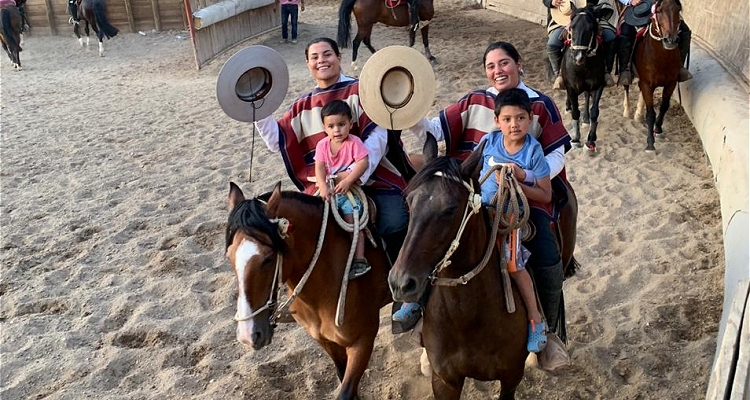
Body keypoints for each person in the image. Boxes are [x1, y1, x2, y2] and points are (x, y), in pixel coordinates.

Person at [408, 41, 571, 366]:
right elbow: (436, 129)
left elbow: (556, 153)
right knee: (432, 236)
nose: (498, 71)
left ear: (519, 63)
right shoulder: (474, 101)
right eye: (491, 66)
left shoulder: (541, 104)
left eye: (504, 63)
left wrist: (523, 179)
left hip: (522, 199)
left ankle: (548, 332)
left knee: (546, 253)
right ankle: (422, 318)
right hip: (476, 194)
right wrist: (409, 113)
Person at [254, 37, 421, 327]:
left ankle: (407, 292)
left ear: (339, 57)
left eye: (327, 54)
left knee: (395, 219)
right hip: (325, 185)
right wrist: (256, 109)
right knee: (299, 230)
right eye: (315, 57)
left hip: (373, 175)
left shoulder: (361, 90)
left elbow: (379, 135)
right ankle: (302, 297)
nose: (322, 61)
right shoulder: (302, 105)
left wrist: (355, 174)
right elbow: (277, 141)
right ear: (308, 64)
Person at [478, 88, 552, 353]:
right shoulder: (489, 142)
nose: (514, 125)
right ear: (497, 121)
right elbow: (472, 170)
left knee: (513, 264)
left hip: (511, 216)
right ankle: (417, 302)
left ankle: (536, 319)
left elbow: (545, 194)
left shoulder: (533, 151)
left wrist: (518, 179)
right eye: (507, 119)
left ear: (530, 119)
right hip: (481, 209)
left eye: (520, 118)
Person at [314, 100, 371, 279]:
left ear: (350, 124)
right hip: (330, 189)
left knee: (352, 219)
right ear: (324, 128)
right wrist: (322, 185)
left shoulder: (354, 143)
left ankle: (360, 259)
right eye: (331, 126)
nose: (336, 130)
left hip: (349, 191)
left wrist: (349, 180)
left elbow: (363, 163)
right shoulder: (323, 145)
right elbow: (320, 167)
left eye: (341, 124)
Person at [616, 0, 692, 85]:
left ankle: (680, 66)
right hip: (639, 8)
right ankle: (625, 69)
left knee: (685, 31)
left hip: (663, 6)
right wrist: (630, 1)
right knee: (626, 33)